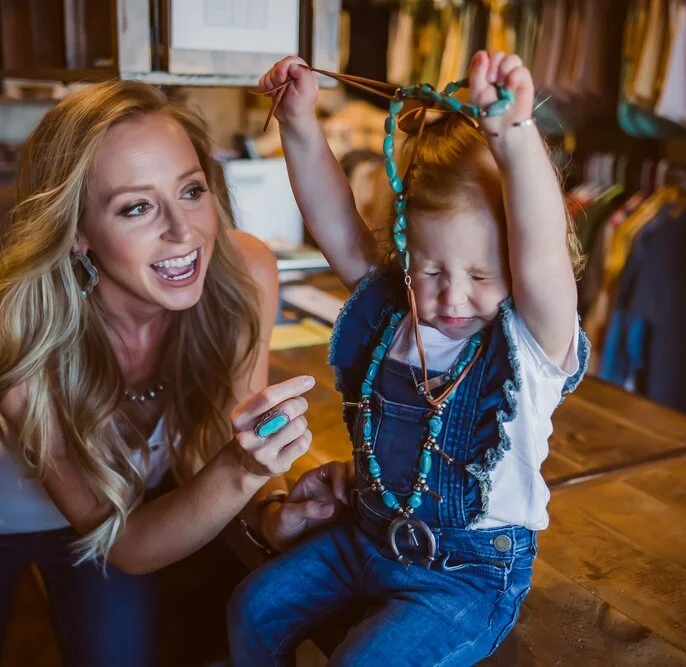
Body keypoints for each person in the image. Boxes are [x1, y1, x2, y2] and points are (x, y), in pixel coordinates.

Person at [0, 80, 350, 667]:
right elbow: (133, 546)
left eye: (191, 191)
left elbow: (221, 436)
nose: (184, 232)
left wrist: (272, 509)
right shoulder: (13, 328)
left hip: (115, 515)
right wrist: (243, 468)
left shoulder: (244, 274)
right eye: (137, 207)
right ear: (75, 231)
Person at [227, 51, 589, 665]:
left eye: (481, 274)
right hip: (365, 538)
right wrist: (298, 122)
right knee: (253, 608)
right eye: (430, 269)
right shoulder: (394, 309)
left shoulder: (531, 343)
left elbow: (544, 250)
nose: (452, 296)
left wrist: (514, 134)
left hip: (465, 577)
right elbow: (337, 225)